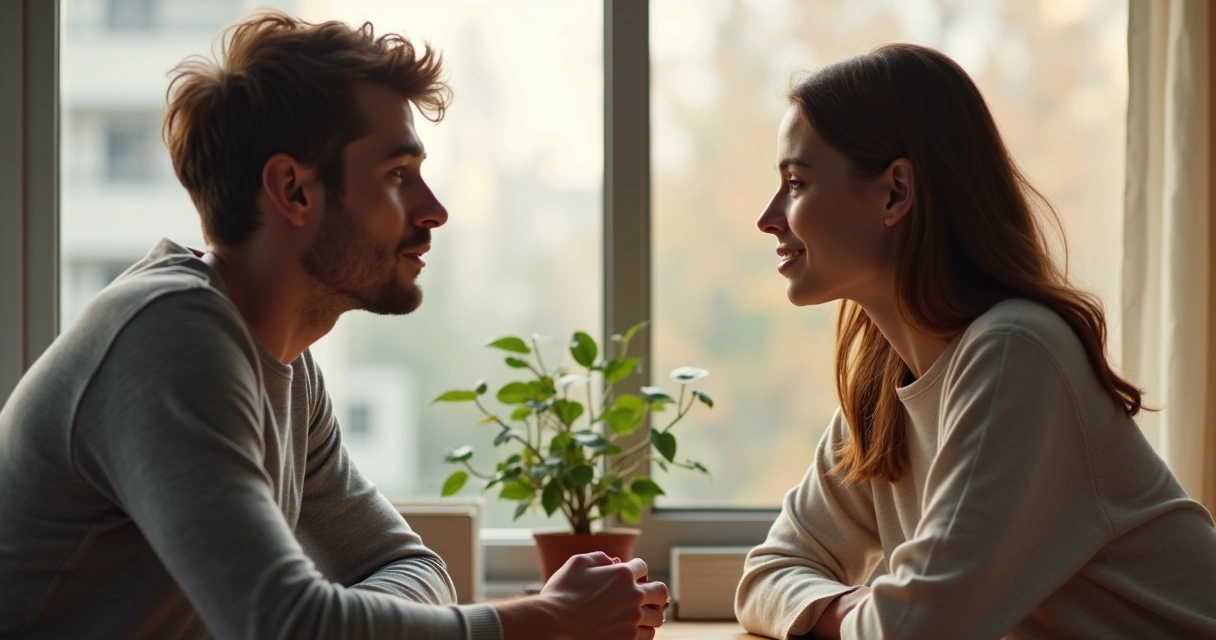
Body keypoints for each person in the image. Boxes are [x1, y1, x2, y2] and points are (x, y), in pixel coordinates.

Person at [0, 11, 667, 640]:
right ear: (292, 190)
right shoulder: (168, 337)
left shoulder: (283, 362)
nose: (433, 209)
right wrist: (545, 621)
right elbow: (288, 626)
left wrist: (351, 622)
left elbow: (415, 569)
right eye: (398, 174)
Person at [735, 43, 1216, 640]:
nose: (769, 216)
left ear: (895, 193)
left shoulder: (1018, 352)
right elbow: (767, 575)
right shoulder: (885, 388)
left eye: (796, 182)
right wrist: (853, 611)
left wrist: (849, 611)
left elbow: (915, 628)